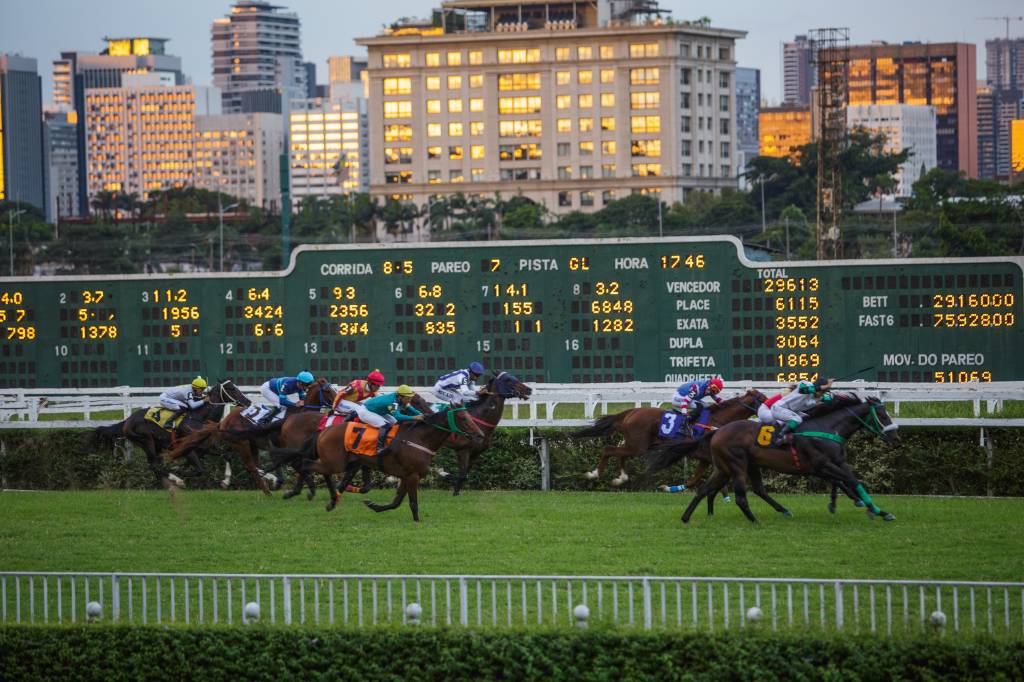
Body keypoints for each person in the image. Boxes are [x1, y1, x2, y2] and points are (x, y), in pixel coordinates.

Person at [354, 385, 425, 454]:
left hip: (376, 411)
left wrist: (421, 414)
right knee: (385, 425)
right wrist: (414, 417)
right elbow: (397, 416)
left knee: (394, 422)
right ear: (400, 397)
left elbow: (410, 408)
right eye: (408, 398)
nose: (409, 400)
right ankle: (379, 448)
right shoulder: (392, 402)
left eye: (410, 398)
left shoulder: (400, 398)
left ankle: (388, 440)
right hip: (366, 411)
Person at [770, 376, 835, 444]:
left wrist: (828, 387)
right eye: (822, 391)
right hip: (779, 408)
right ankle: (779, 437)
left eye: (824, 392)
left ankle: (795, 436)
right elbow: (805, 389)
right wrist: (827, 385)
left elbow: (831, 397)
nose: (822, 394)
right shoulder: (807, 384)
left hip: (790, 411)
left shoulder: (819, 397)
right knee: (797, 420)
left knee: (807, 418)